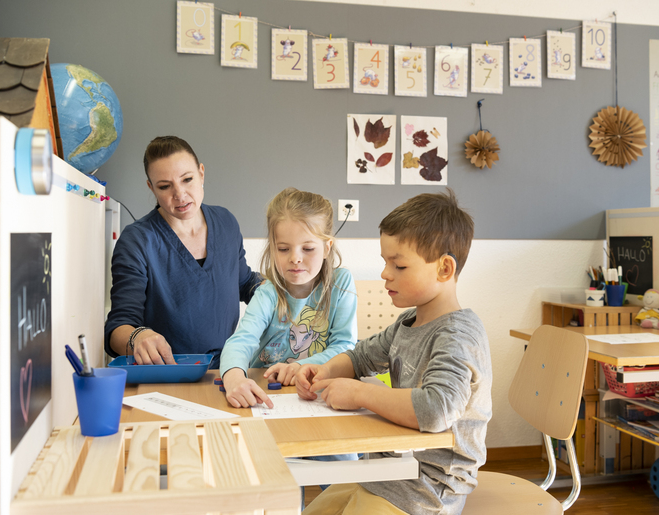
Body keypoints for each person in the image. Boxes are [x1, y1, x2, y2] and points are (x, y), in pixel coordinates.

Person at [295, 189, 492, 515]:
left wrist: (359, 393)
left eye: (398, 265)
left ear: (444, 269)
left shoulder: (459, 335)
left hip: (427, 490)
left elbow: (435, 409)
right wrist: (326, 371)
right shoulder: (409, 322)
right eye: (385, 262)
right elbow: (360, 357)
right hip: (388, 470)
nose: (385, 273)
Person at [104, 136, 259, 369]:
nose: (180, 195)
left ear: (202, 173)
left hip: (228, 369)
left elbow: (244, 282)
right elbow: (119, 327)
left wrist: (287, 292)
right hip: (167, 374)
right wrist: (137, 338)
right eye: (165, 186)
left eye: (187, 179)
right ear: (151, 188)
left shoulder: (226, 222)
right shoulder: (138, 240)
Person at [219, 187, 358, 409]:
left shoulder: (341, 283)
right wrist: (234, 377)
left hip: (315, 393)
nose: (295, 258)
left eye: (308, 248)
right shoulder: (268, 292)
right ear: (273, 248)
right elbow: (241, 341)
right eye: (283, 249)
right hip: (265, 395)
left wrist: (300, 366)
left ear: (326, 248)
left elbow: (344, 346)